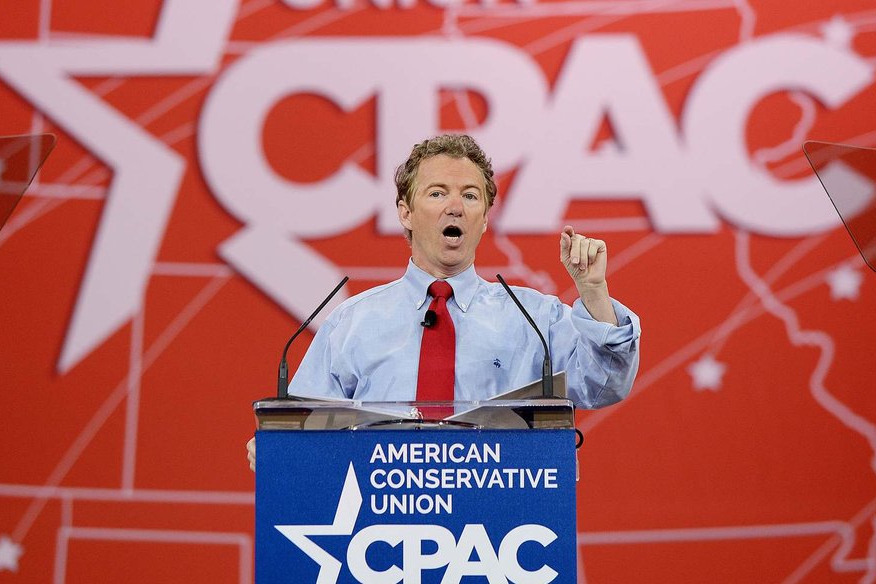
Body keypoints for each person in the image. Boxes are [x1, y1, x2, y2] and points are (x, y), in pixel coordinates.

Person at [247, 134, 640, 470]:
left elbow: (604, 385)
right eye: (437, 193)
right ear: (406, 213)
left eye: (470, 196)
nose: (455, 206)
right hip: (375, 528)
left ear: (484, 218)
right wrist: (276, 447)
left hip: (499, 528)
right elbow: (300, 429)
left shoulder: (534, 318)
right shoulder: (351, 322)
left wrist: (592, 292)